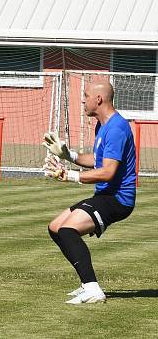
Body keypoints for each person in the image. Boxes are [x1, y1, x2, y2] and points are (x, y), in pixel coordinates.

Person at [42, 79, 136, 304]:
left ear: (99, 99)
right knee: (55, 228)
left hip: (118, 200)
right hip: (104, 196)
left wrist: (70, 176)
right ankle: (87, 284)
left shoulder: (117, 128)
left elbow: (107, 172)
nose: (83, 100)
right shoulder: (101, 125)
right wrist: (69, 155)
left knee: (67, 230)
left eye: (86, 95)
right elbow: (97, 160)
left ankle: (93, 289)